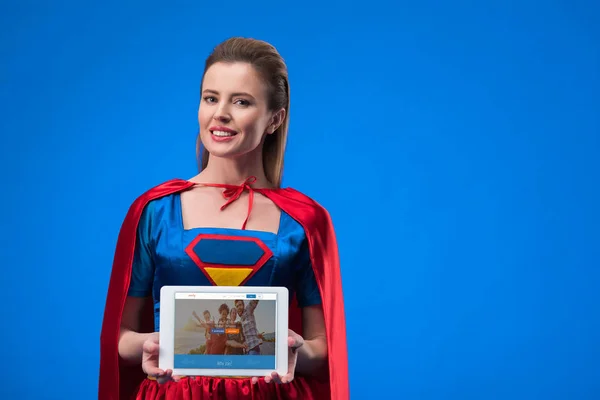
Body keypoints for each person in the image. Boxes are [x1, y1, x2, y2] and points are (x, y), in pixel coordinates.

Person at [99, 37, 348, 400]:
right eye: (211, 98)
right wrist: (151, 345)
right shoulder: (156, 211)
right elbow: (120, 338)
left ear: (274, 119)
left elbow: (323, 347)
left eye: (242, 101)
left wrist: (293, 348)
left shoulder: (304, 221)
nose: (220, 114)